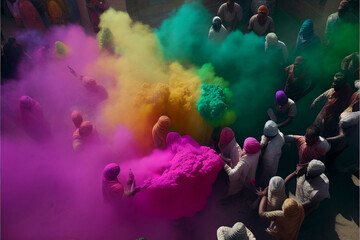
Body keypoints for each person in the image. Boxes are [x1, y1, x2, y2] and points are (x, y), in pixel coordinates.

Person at [311, 72, 353, 137]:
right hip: (324, 113)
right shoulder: (333, 90)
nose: (333, 84)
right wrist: (314, 102)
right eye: (334, 82)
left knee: (327, 134)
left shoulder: (347, 93)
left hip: (335, 118)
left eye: (336, 83)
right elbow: (323, 95)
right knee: (316, 128)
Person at [259, 120, 285, 186]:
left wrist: (262, 148)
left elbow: (266, 161)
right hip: (277, 157)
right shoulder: (280, 136)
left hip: (269, 164)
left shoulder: (269, 149)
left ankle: (265, 186)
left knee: (267, 175)